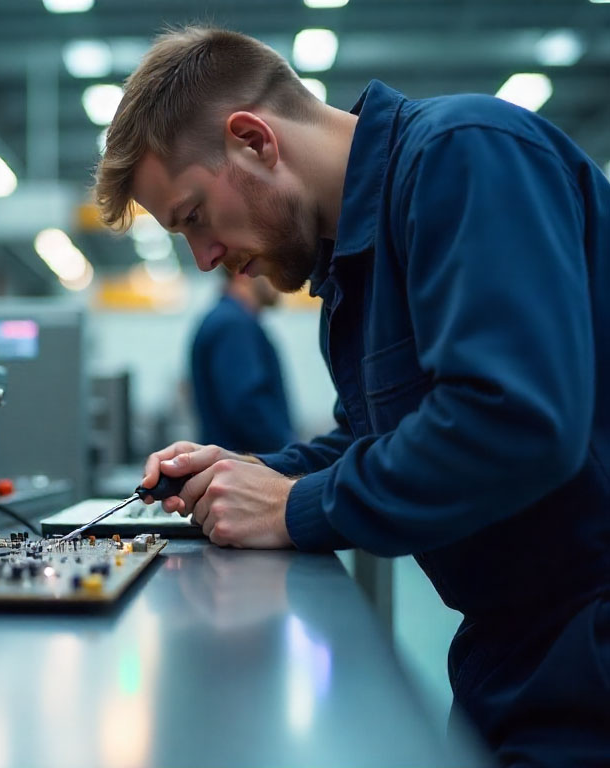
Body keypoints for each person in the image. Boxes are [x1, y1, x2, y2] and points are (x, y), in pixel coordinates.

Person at [95, 25, 610, 767]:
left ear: (254, 141)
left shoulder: (465, 152)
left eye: (193, 217)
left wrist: (295, 505)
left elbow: (517, 422)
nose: (205, 257)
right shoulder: (353, 271)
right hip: (512, 651)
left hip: (590, 644)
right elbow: (373, 438)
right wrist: (245, 474)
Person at [191, 270, 294, 453]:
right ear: (242, 271)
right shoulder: (233, 325)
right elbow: (247, 406)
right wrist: (292, 454)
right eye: (268, 264)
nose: (282, 274)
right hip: (245, 466)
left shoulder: (229, 320)